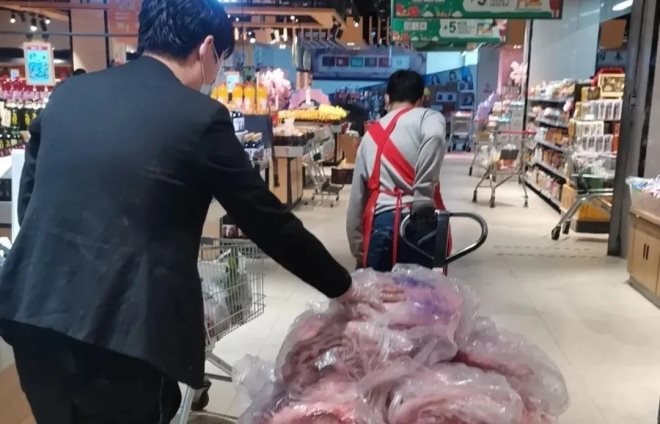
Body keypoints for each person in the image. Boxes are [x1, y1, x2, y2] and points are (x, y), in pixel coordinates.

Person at [0, 1, 392, 422]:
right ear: (207, 49)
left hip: (32, 314)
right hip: (120, 334)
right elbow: (266, 220)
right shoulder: (199, 117)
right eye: (221, 60)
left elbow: (29, 198)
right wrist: (343, 287)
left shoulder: (69, 94)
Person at [346, 70, 449, 272]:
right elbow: (436, 137)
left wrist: (358, 249)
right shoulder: (428, 117)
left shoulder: (370, 136)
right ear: (421, 99)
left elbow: (357, 199)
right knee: (420, 290)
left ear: (387, 98)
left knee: (380, 291)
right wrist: (423, 194)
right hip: (420, 222)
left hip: (381, 224)